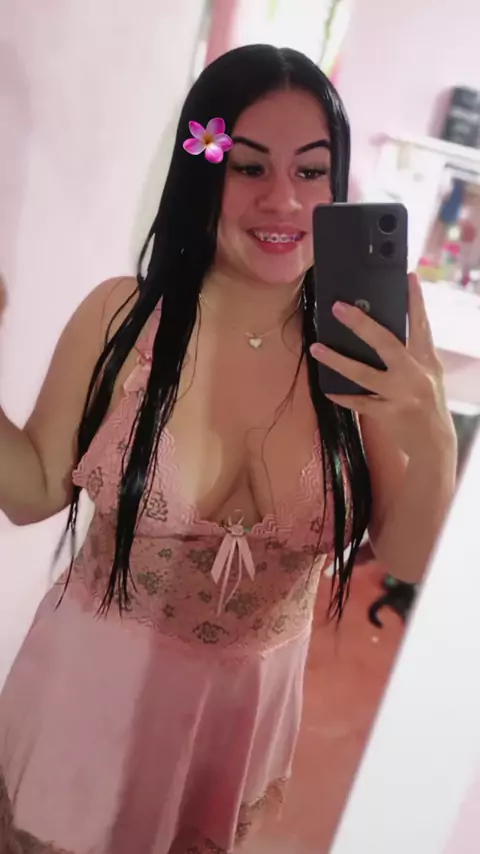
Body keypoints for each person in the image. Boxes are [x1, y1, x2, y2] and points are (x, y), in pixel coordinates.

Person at [0, 44, 457, 854]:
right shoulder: (123, 318)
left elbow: (410, 554)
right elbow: (33, 490)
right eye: (248, 167)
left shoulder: (356, 347)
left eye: (311, 171)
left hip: (238, 724)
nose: (284, 199)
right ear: (202, 170)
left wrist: (433, 435)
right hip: (87, 702)